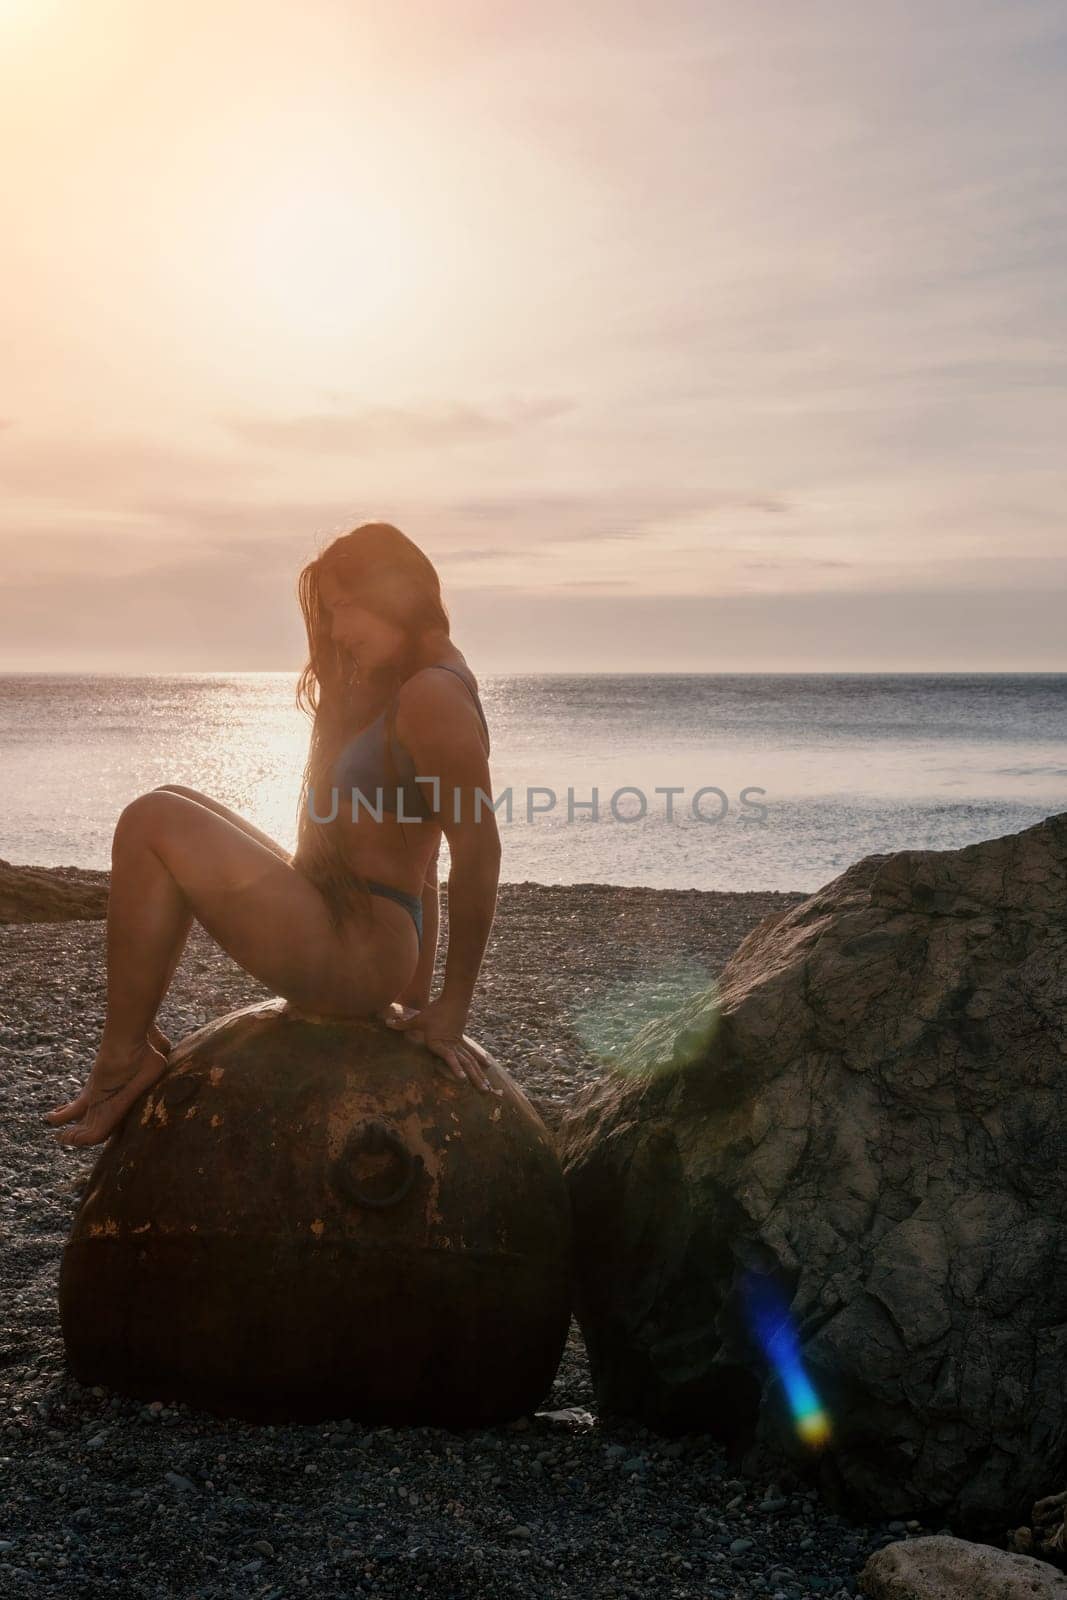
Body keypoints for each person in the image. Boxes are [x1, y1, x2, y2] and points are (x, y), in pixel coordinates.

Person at [45, 522, 502, 1148]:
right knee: (173, 801)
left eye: (346, 609)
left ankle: (122, 1061)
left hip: (357, 954)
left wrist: (449, 1011)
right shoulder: (418, 682)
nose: (337, 632)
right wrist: (414, 986)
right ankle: (136, 1044)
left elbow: (476, 853)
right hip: (365, 938)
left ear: (394, 593)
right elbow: (420, 852)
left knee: (149, 820)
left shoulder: (434, 696)